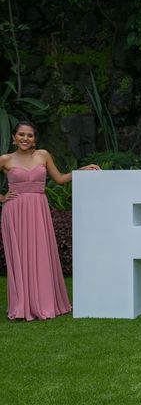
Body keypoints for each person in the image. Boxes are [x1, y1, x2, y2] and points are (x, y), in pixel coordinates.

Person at [0, 121, 100, 320]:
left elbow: (60, 179)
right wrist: (1, 198)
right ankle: (22, 306)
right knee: (19, 258)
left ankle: (44, 303)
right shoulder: (5, 159)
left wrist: (82, 170)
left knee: (41, 254)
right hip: (14, 212)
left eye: (29, 135)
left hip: (38, 209)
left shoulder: (43, 155)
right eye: (21, 134)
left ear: (35, 139)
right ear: (13, 138)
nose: (25, 138)